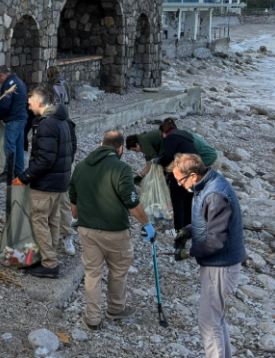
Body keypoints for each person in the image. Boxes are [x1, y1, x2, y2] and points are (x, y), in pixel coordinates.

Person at [69, 131, 156, 330]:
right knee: (117, 271)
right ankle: (115, 309)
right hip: (115, 232)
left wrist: (79, 219)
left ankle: (92, 318)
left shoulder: (81, 167)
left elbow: (73, 201)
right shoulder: (121, 168)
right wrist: (147, 224)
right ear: (120, 149)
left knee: (92, 274)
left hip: (87, 230)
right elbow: (131, 201)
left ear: (101, 144)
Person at [168, 154, 245, 358]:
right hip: (219, 264)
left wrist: (189, 252)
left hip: (220, 266)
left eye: (180, 180)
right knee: (216, 319)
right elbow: (207, 222)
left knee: (209, 323)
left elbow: (217, 241)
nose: (178, 184)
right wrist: (188, 231)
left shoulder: (214, 194)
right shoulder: (206, 186)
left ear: (193, 175)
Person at [13, 88, 73, 278]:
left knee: (39, 221)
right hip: (60, 181)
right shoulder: (62, 121)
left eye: (30, 103)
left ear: (38, 102)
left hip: (46, 184)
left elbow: (45, 159)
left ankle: (49, 263)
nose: (29, 106)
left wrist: (24, 177)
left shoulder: (46, 125)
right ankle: (50, 256)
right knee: (52, 220)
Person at [45, 66, 77, 255]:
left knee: (55, 201)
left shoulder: (49, 124)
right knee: (62, 201)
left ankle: (60, 236)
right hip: (62, 168)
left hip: (56, 169)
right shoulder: (67, 123)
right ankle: (64, 237)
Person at [156, 118, 200, 231]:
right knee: (187, 202)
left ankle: (179, 232)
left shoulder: (171, 138)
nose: (162, 137)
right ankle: (188, 229)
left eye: (162, 134)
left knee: (178, 204)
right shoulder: (186, 138)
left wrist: (159, 161)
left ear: (164, 132)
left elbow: (169, 158)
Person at [0, 67, 28, 177]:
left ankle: (8, 173)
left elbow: (4, 104)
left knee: (10, 147)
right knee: (19, 146)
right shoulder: (20, 82)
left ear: (2, 76)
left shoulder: (9, 84)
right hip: (22, 118)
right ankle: (19, 171)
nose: (0, 81)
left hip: (13, 119)